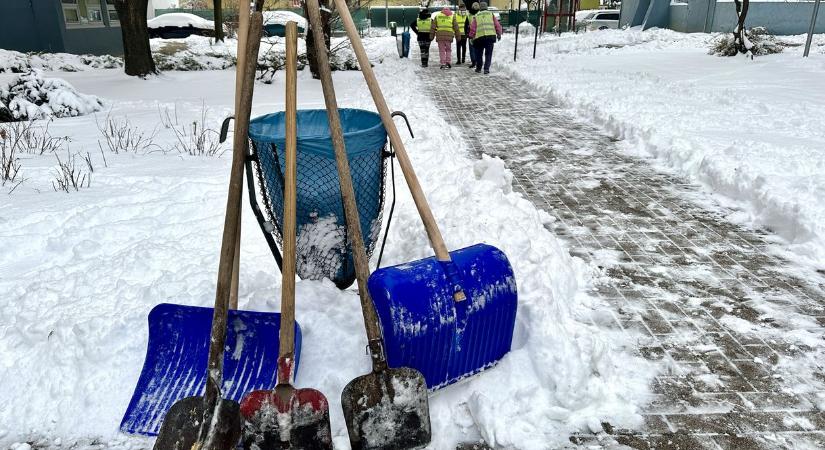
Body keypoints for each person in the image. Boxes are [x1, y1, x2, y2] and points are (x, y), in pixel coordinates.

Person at [468, 2, 502, 74]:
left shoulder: (477, 16)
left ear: (480, 8)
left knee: (478, 54)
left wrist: (471, 36)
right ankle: (486, 69)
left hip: (479, 38)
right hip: (490, 37)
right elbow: (497, 25)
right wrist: (499, 33)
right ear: (487, 7)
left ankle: (479, 68)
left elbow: (473, 28)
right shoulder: (491, 15)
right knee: (488, 54)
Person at [466, 2, 480, 69]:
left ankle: (474, 62)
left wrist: (467, 33)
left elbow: (466, 25)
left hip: (471, 34)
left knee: (472, 49)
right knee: (478, 48)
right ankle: (477, 61)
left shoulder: (469, 15)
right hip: (479, 34)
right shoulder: (479, 14)